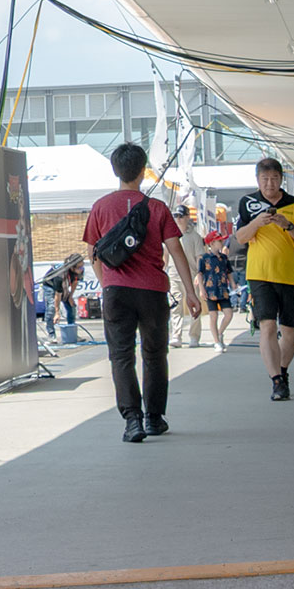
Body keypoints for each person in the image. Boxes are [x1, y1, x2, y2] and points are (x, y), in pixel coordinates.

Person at [83, 142, 201, 443]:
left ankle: (132, 420)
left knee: (121, 356)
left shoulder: (100, 207)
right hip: (152, 292)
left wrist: (107, 282)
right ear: (143, 171)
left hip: (116, 292)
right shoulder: (156, 208)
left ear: (116, 170)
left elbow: (92, 252)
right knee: (155, 354)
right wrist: (190, 292)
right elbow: (176, 250)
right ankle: (154, 418)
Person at [234, 157, 294, 401]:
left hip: (289, 274)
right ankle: (276, 381)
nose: (270, 184)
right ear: (257, 180)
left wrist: (288, 225)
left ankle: (282, 371)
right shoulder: (248, 203)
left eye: (274, 178)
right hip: (259, 274)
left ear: (281, 179)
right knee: (268, 325)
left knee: (290, 331)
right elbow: (240, 237)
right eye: (265, 179)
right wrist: (256, 223)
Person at [169, 204, 208, 348]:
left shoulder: (195, 236)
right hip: (174, 274)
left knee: (194, 305)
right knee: (175, 305)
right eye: (176, 216)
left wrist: (199, 274)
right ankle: (176, 335)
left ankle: (194, 336)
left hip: (191, 275)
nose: (178, 219)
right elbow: (165, 255)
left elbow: (200, 257)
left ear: (187, 217)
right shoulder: (170, 235)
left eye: (181, 216)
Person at [200, 231, 235, 352]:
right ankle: (216, 341)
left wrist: (233, 283)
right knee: (213, 316)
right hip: (210, 291)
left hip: (223, 290)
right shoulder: (205, 258)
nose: (222, 242)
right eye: (219, 241)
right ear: (212, 243)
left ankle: (219, 333)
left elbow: (228, 271)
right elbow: (200, 274)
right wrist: (201, 289)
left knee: (229, 314)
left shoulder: (224, 258)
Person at [44, 256, 83, 339]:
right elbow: (57, 295)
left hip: (63, 285)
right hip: (50, 285)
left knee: (71, 306)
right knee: (51, 308)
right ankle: (51, 334)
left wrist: (70, 296)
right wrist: (57, 312)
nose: (82, 269)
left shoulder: (79, 270)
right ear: (72, 267)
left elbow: (75, 282)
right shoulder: (60, 274)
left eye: (82, 266)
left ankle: (71, 333)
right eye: (79, 267)